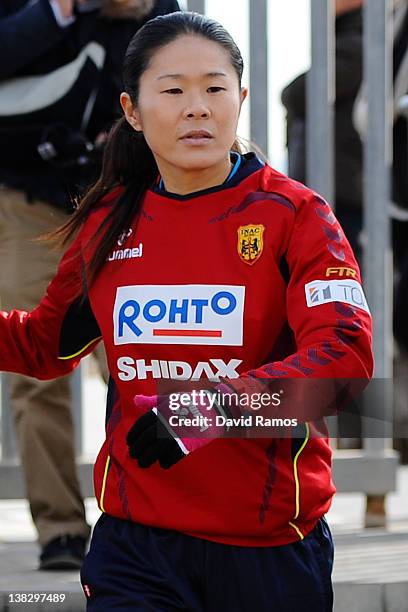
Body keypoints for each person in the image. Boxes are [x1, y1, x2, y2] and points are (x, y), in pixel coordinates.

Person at [0, 11, 373, 611]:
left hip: (268, 548)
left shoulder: (297, 216)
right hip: (135, 550)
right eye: (172, 90)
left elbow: (342, 364)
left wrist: (209, 411)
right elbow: (45, 345)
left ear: (241, 98)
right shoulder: (107, 225)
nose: (196, 107)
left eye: (215, 88)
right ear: (132, 110)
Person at [0, 0, 180, 570]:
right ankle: (60, 531)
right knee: (36, 371)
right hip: (24, 202)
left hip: (119, 201)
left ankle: (148, 517)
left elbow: (176, 59)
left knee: (144, 358)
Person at [281, 0, 364, 261]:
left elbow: (299, 93)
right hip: (341, 187)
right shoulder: (348, 36)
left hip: (345, 191)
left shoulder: (364, 38)